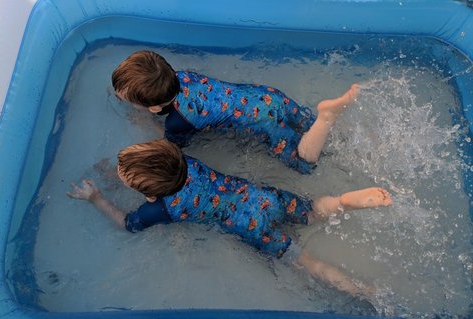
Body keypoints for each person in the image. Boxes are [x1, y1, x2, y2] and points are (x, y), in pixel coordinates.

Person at [67, 139, 393, 300]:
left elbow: (127, 224)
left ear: (149, 196)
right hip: (263, 198)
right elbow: (161, 162)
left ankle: (367, 293)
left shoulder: (160, 210)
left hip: (253, 229)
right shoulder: (186, 162)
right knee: (313, 210)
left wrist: (97, 199)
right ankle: (345, 202)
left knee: (309, 264)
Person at [112, 50, 359, 174]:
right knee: (305, 123)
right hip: (268, 98)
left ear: (155, 108)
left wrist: (146, 125)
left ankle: (326, 118)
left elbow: (174, 148)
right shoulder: (181, 76)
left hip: (264, 123)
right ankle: (323, 123)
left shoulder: (178, 122)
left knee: (304, 162)